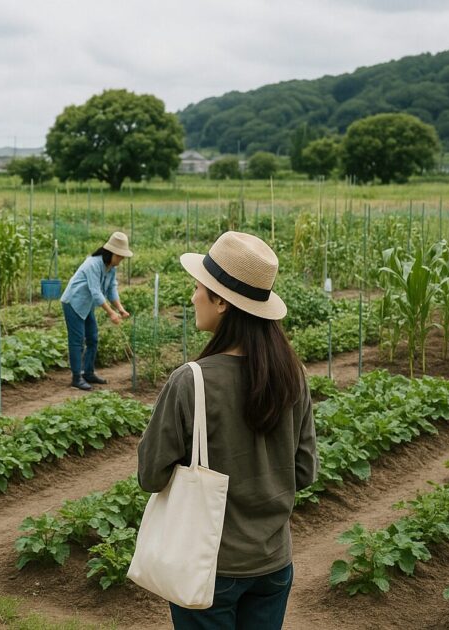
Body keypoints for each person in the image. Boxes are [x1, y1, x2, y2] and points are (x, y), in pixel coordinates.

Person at [137, 231, 318, 630]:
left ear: (221, 301)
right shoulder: (293, 376)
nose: (193, 297)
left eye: (198, 288)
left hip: (209, 566)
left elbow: (150, 475)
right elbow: (303, 473)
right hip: (273, 564)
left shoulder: (192, 381)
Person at [60, 231, 132, 390]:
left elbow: (112, 289)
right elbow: (95, 291)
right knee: (77, 341)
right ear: (111, 253)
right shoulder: (92, 264)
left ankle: (88, 372)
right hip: (73, 303)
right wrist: (110, 313)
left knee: (93, 338)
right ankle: (76, 377)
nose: (121, 260)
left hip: (86, 306)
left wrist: (120, 309)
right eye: (119, 256)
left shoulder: (111, 267)